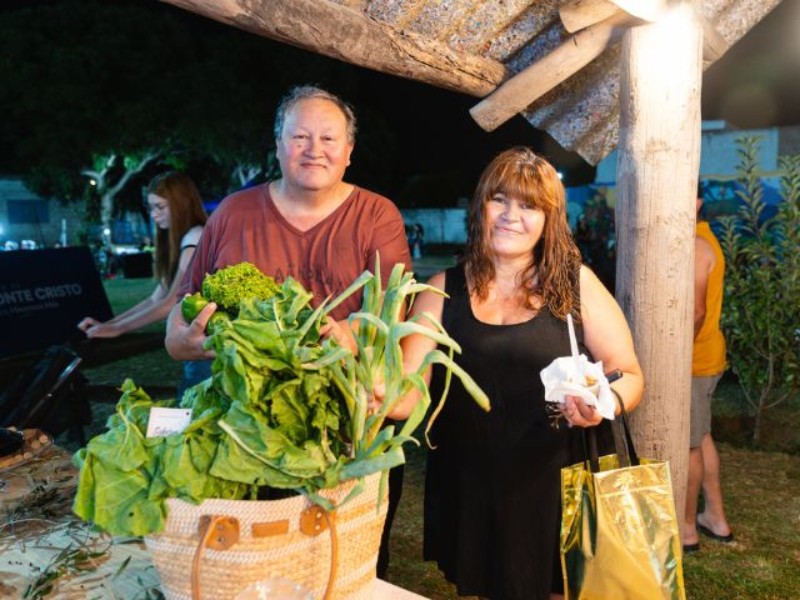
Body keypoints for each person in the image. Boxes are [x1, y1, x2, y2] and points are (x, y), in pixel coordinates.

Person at [164, 84, 412, 577]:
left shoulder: (376, 215)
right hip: (242, 433)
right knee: (246, 565)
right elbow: (181, 313)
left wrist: (355, 337)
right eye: (299, 136)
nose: (314, 149)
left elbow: (394, 319)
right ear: (278, 146)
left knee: (344, 566)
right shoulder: (233, 213)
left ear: (348, 152)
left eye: (328, 138)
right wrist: (182, 340)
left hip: (344, 428)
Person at [389, 147, 644, 599]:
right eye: (499, 199)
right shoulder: (440, 291)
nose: (510, 215)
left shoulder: (575, 285)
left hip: (556, 480)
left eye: (528, 205)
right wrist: (370, 388)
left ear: (550, 220)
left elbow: (629, 374)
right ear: (480, 206)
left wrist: (605, 402)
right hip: (473, 482)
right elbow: (407, 393)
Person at [77, 171, 207, 340]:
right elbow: (155, 299)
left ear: (181, 204)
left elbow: (172, 302)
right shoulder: (183, 238)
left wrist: (117, 328)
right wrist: (109, 325)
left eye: (160, 207)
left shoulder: (195, 237)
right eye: (151, 207)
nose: (153, 215)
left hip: (208, 341)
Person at [682, 185, 733, 554]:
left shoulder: (698, 246)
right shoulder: (703, 240)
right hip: (708, 357)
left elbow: (697, 311)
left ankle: (686, 530)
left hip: (695, 361)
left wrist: (676, 356)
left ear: (697, 203)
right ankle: (715, 516)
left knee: (689, 447)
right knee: (702, 437)